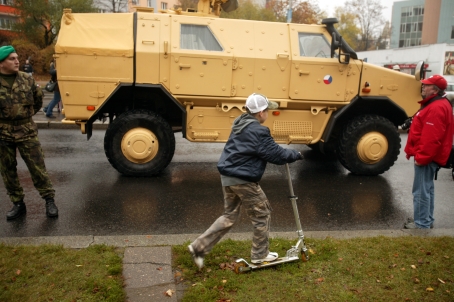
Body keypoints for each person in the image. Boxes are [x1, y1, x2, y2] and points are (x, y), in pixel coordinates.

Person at [188, 93, 304, 269]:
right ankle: (260, 255)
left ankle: (198, 247)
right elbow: (276, 155)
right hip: (243, 179)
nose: (268, 114)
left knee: (229, 216)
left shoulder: (241, 123)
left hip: (228, 176)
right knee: (262, 214)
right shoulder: (258, 130)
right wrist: (295, 154)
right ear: (261, 113)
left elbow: (264, 150)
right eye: (267, 111)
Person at [0, 45, 58, 220]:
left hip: (26, 130)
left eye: (17, 58)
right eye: (12, 58)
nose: (17, 61)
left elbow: (38, 100)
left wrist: (24, 117)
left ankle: (49, 200)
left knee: (37, 167)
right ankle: (18, 203)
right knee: (8, 170)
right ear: (1, 63)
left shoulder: (27, 79)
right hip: (2, 132)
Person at [404, 75, 453, 229]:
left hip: (427, 157)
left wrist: (422, 158)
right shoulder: (438, 104)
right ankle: (426, 219)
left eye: (427, 85)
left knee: (421, 191)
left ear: (435, 89)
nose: (423, 87)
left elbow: (431, 138)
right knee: (427, 189)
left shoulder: (436, 107)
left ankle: (421, 224)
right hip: (430, 156)